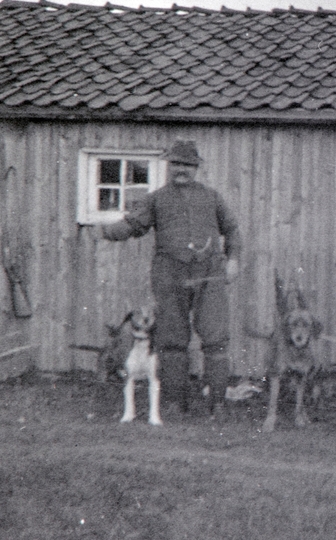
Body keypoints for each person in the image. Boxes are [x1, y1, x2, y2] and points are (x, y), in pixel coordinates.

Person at [102, 140, 241, 417]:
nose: (182, 170)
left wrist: (233, 259)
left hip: (209, 275)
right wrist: (105, 231)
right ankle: (176, 403)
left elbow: (232, 229)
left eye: (188, 165)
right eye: (177, 164)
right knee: (172, 339)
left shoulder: (212, 198)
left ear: (196, 168)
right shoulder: (156, 199)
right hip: (169, 275)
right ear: (169, 166)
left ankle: (217, 404)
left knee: (216, 338)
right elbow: (133, 225)